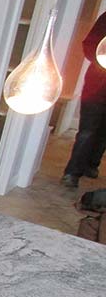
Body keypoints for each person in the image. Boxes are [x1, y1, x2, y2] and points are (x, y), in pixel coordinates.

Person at [62, 11, 106, 188]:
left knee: (103, 132)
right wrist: (100, 59)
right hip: (96, 86)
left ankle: (92, 164)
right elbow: (89, 46)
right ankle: (72, 172)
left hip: (96, 85)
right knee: (87, 131)